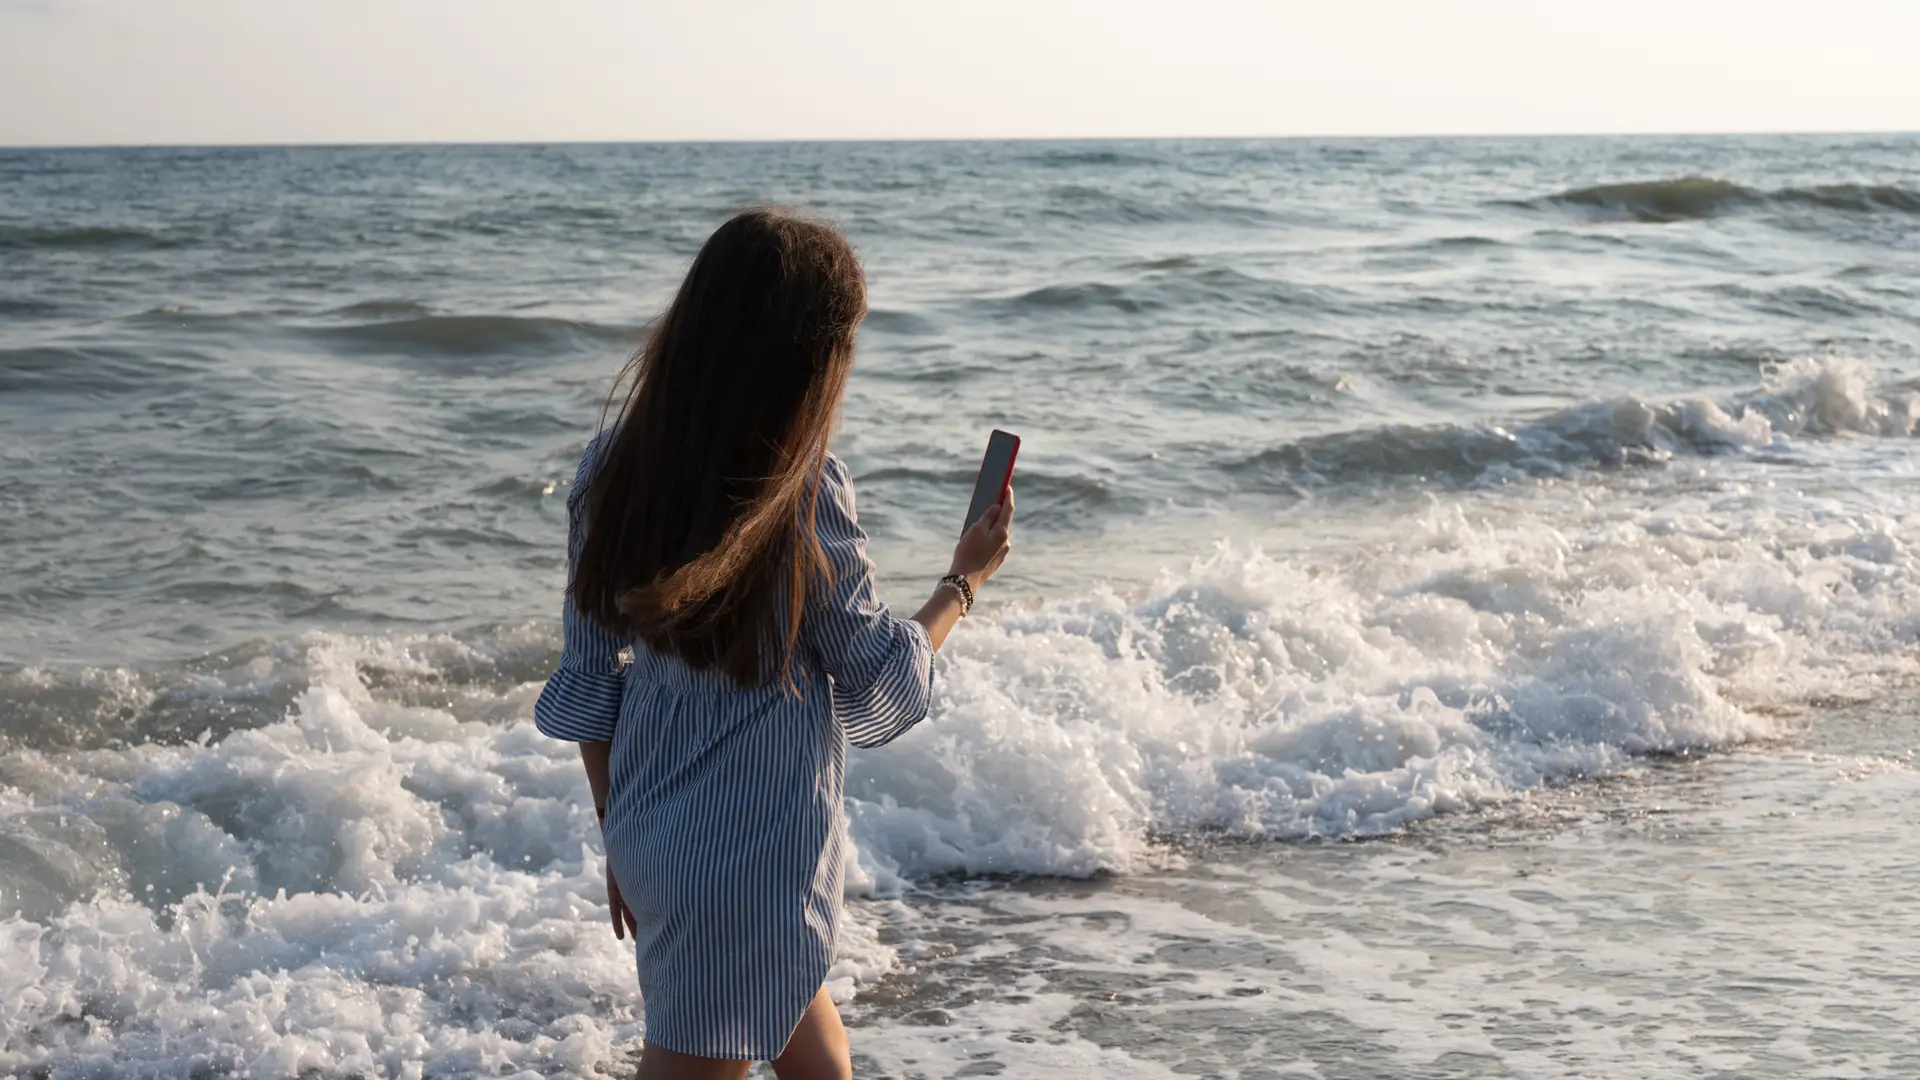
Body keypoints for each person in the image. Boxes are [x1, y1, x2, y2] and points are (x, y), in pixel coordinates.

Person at [533, 208, 1014, 1080]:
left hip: (652, 826)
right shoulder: (804, 494)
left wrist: (621, 836)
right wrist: (963, 583)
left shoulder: (611, 471)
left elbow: (590, 682)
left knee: (816, 1055)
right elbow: (880, 681)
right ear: (804, 364)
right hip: (755, 851)